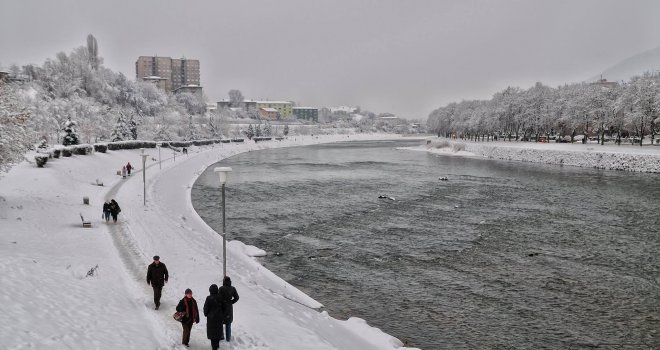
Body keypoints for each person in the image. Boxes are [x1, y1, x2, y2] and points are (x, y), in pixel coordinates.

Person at [203, 284, 224, 349]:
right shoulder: (221, 297)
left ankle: (214, 348)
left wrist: (206, 314)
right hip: (219, 319)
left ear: (210, 290)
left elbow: (206, 309)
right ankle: (217, 346)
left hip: (211, 319)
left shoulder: (209, 298)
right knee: (218, 333)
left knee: (212, 335)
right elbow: (224, 307)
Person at [219, 276, 239, 342]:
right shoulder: (233, 288)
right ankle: (228, 338)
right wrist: (231, 302)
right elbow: (237, 297)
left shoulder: (221, 288)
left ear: (224, 281)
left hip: (222, 307)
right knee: (228, 323)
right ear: (230, 281)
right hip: (229, 308)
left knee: (220, 323)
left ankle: (221, 337)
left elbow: (218, 298)